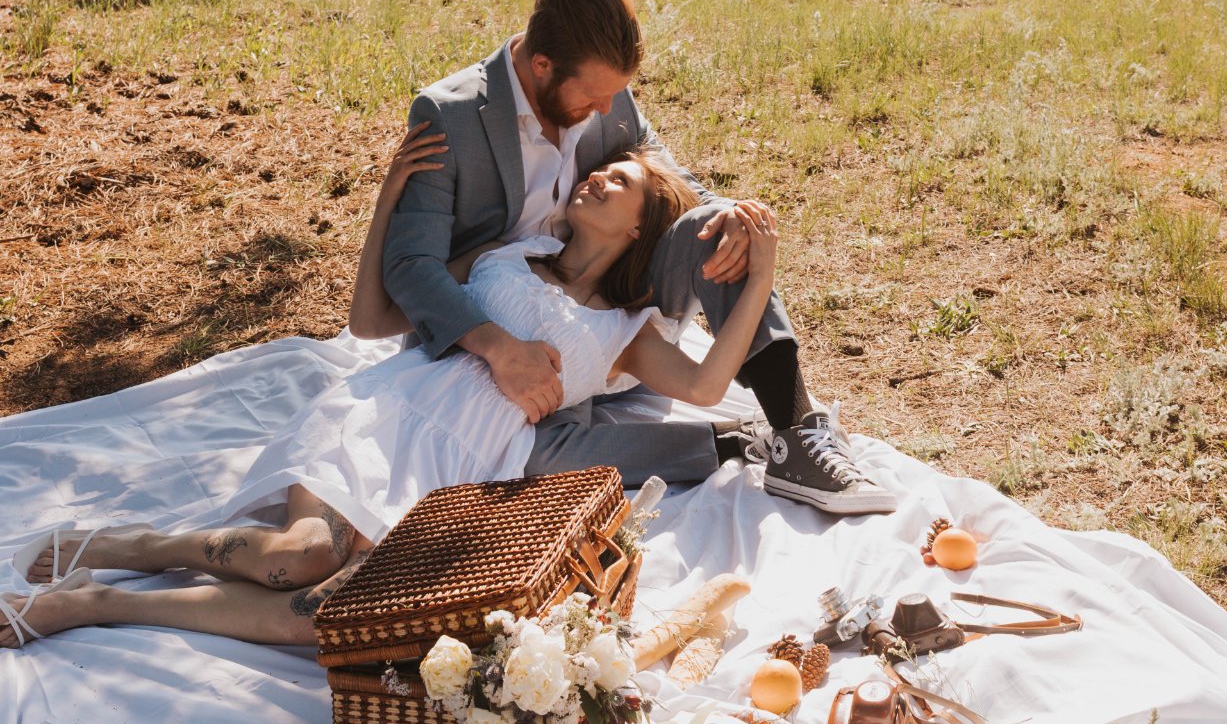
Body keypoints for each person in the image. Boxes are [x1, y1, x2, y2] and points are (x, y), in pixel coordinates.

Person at [1, 146, 778, 651]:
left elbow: (710, 387)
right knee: (302, 555)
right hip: (386, 416)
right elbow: (371, 320)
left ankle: (99, 599)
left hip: (461, 476)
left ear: (642, 223)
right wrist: (386, 205)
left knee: (328, 614)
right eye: (600, 170)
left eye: (622, 182)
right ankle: (133, 549)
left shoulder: (624, 331)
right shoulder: (504, 257)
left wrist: (761, 275)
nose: (596, 177)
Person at [377, 0, 894, 515]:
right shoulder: (448, 114)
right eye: (592, 99)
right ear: (541, 66)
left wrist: (731, 218)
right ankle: (731, 444)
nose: (605, 113)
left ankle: (798, 433)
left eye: (614, 99)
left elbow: (676, 180)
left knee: (716, 229)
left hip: (607, 300)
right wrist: (499, 348)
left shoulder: (608, 95)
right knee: (528, 458)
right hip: (499, 316)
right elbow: (412, 265)